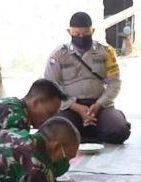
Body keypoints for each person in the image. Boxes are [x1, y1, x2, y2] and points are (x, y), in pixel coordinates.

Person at [44, 12, 130, 144]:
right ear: (69, 32)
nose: (81, 37)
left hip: (100, 105)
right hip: (69, 107)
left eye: (86, 33)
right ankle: (89, 130)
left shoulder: (106, 52)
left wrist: (98, 105)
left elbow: (115, 83)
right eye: (76, 34)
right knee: (56, 133)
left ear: (92, 31)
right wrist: (75, 107)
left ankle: (93, 127)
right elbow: (50, 87)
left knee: (120, 131)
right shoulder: (58, 54)